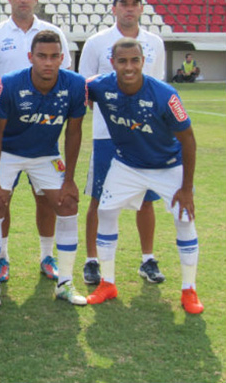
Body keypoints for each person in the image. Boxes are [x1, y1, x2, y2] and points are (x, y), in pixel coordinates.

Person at [86, 38, 203, 315]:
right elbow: (76, 86)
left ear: (143, 62)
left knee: (184, 220)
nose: (129, 67)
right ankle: (108, 283)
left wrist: (186, 188)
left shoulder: (165, 94)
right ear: (112, 62)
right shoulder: (99, 86)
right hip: (127, 165)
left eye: (134, 60)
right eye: (122, 61)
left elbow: (189, 141)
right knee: (106, 213)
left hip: (168, 166)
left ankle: (189, 289)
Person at [0, 0, 72, 283]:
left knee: (46, 198)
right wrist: (12, 101)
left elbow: (64, 75)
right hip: (4, 133)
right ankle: (2, 257)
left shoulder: (54, 34)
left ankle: (47, 255)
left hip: (44, 135)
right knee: (1, 197)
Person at [0, 30, 87, 308]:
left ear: (62, 59)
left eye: (54, 57)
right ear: (31, 57)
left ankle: (63, 279)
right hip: (8, 151)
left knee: (67, 204)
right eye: (42, 56)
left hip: (45, 154)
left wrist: (70, 180)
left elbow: (74, 133)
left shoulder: (75, 84)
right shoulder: (9, 84)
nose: (48, 62)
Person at [78, 0, 166, 285]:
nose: (129, 8)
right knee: (99, 197)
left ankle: (147, 259)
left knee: (146, 199)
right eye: (123, 4)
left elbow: (160, 90)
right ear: (114, 8)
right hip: (107, 135)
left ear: (141, 9)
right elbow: (85, 90)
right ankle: (92, 260)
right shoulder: (96, 43)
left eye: (134, 4)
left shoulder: (154, 42)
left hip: (146, 136)